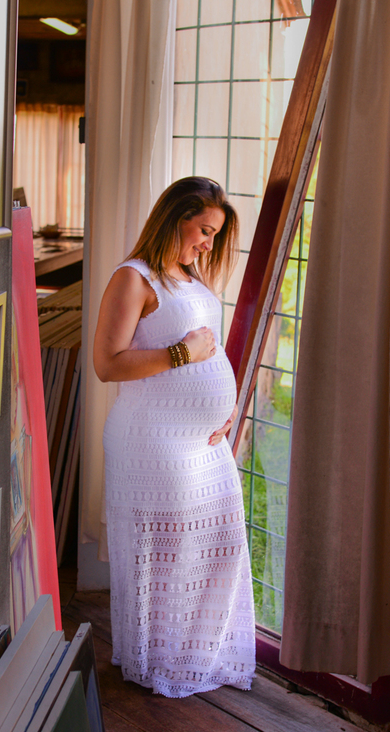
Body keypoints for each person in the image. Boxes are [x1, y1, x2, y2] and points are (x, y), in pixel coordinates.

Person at [92, 176, 256, 698]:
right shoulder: (133, 278)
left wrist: (222, 406)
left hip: (203, 445)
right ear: (175, 218)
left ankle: (197, 656)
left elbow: (210, 348)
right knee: (166, 555)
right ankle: (157, 661)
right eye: (204, 230)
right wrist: (182, 356)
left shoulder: (189, 278)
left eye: (214, 234)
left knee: (218, 543)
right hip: (152, 442)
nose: (209, 243)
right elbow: (106, 364)